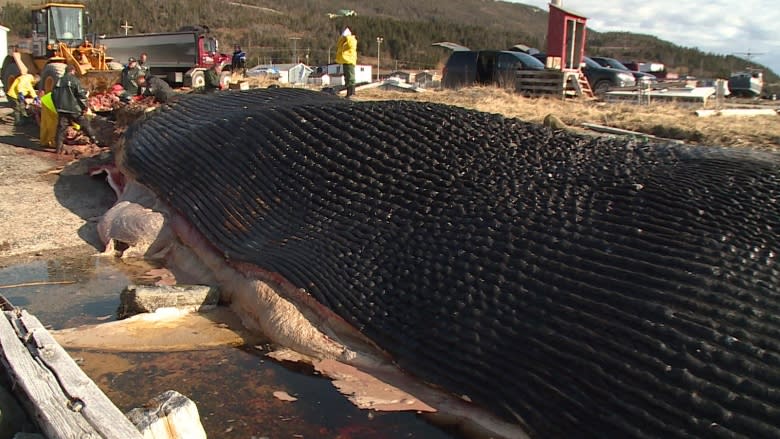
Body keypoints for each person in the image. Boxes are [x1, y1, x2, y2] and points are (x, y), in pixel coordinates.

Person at [52, 65, 98, 154]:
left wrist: (57, 106)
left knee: (61, 129)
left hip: (62, 109)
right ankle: (95, 141)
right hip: (74, 109)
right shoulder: (74, 80)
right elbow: (81, 96)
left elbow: (53, 95)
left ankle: (58, 149)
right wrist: (85, 107)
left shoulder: (59, 81)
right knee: (85, 124)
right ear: (73, 71)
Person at [335, 27, 358, 98]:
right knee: (347, 77)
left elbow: (351, 44)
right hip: (345, 61)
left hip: (350, 61)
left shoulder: (352, 40)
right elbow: (338, 45)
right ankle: (349, 93)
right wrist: (342, 38)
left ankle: (352, 93)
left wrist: (347, 36)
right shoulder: (344, 42)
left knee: (350, 77)